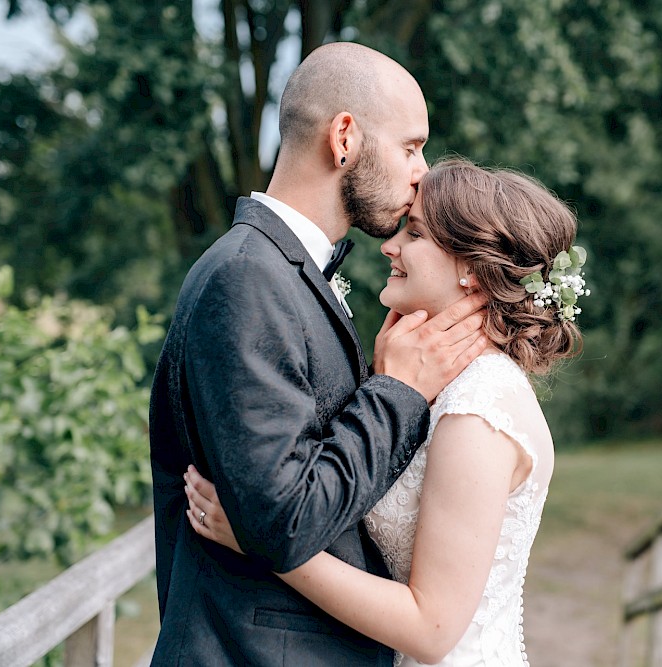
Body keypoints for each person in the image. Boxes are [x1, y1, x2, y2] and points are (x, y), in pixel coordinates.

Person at [148, 43, 488, 666]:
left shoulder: (283, 271)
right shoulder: (248, 277)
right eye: (411, 147)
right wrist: (398, 394)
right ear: (344, 138)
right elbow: (285, 522)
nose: (423, 171)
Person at [184, 157, 588, 666]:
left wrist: (261, 540)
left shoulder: (478, 411)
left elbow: (431, 628)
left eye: (414, 234)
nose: (389, 246)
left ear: (470, 267)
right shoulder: (443, 387)